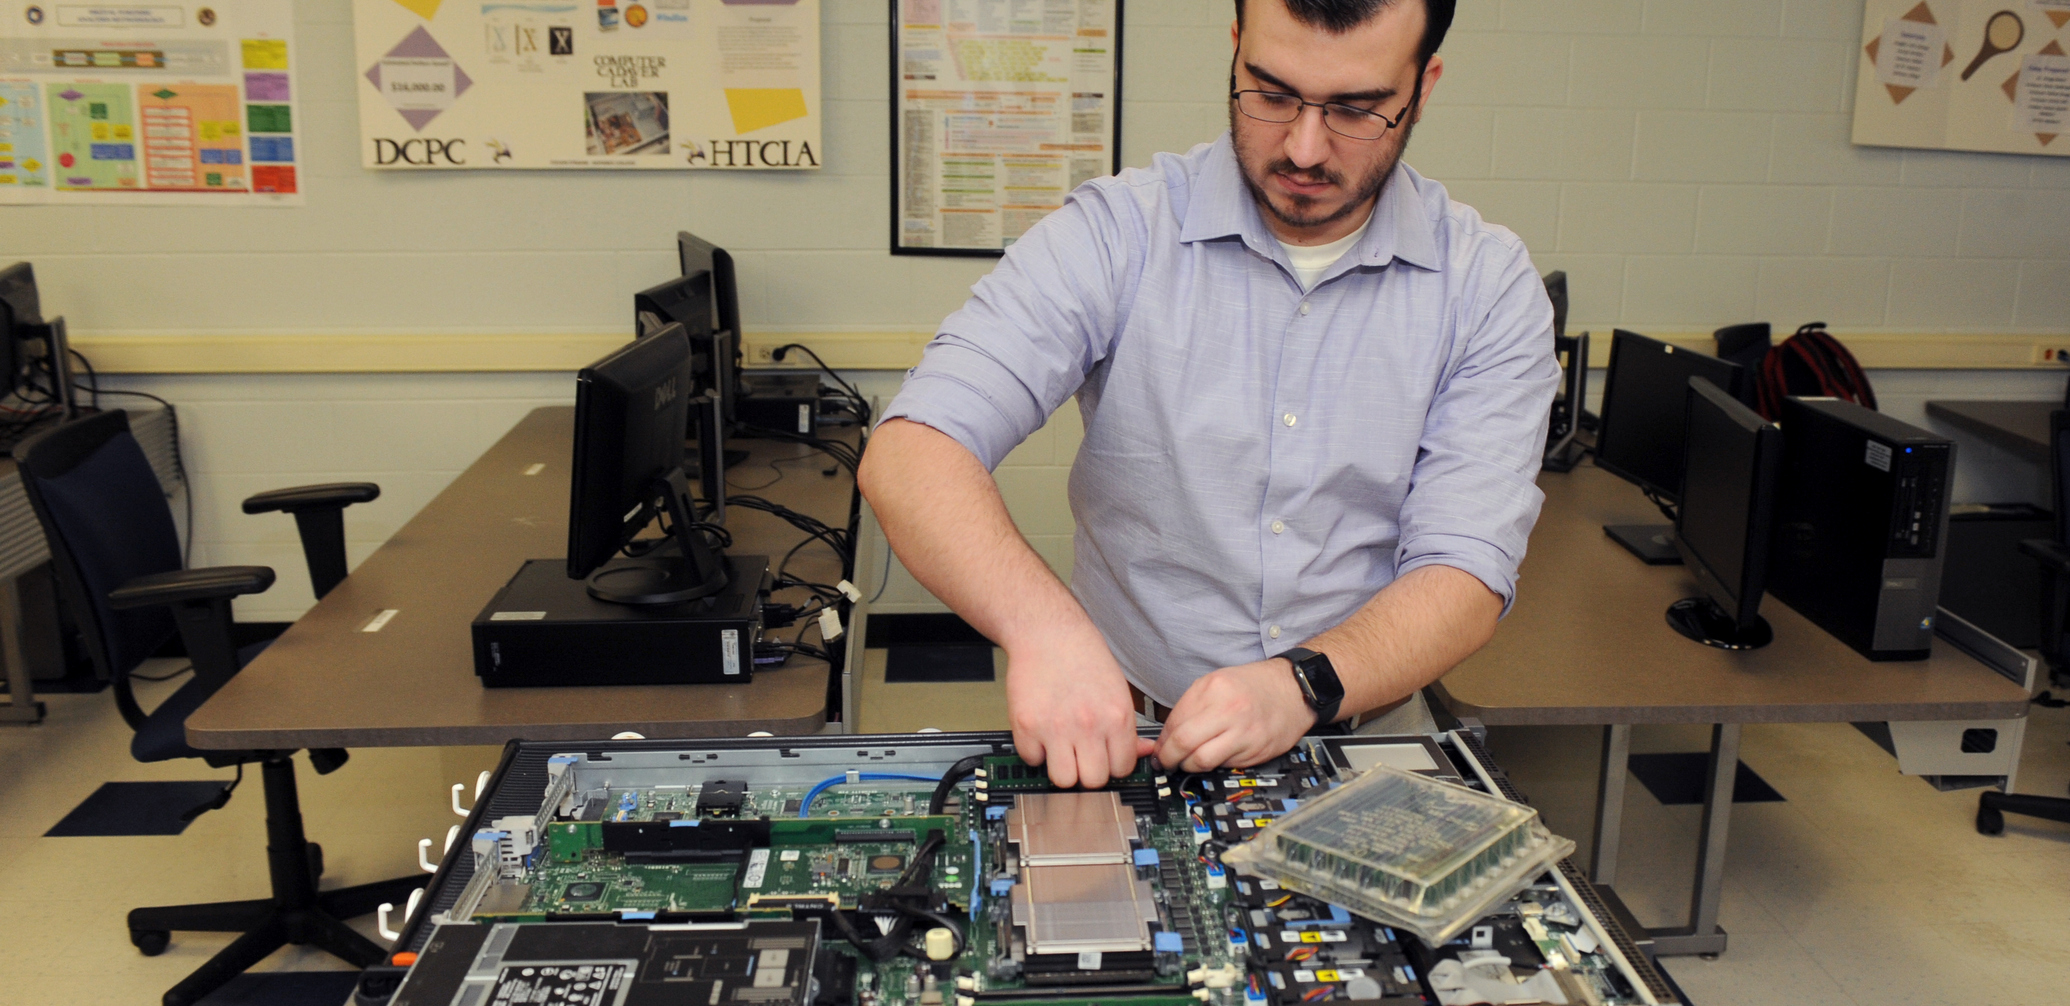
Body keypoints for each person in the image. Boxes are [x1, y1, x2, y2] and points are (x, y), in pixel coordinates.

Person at [857, 0, 1557, 786]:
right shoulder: (1119, 232)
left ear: (1421, 90)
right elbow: (912, 452)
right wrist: (1047, 631)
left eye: (1357, 110)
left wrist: (1304, 681)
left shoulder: (1487, 288)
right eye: (1272, 93)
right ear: (1235, 52)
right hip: (1128, 733)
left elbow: (1464, 571)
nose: (1303, 146)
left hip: (1365, 735)